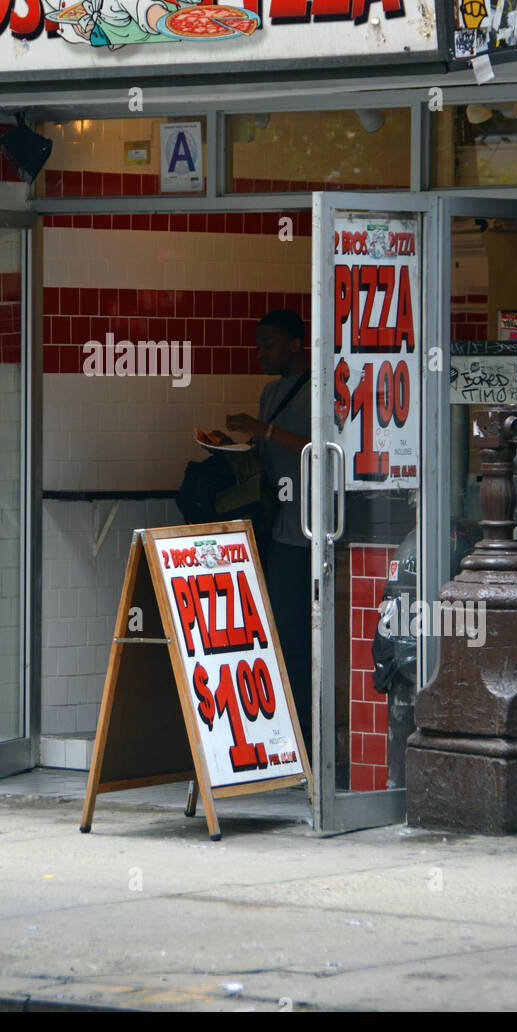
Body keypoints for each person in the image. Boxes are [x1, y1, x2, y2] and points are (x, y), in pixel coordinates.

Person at [226, 308, 312, 760]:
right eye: (259, 345)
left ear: (296, 344)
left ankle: (306, 733)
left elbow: (319, 448)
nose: (261, 354)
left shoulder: (317, 389)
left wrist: (267, 430)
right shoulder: (269, 392)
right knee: (277, 629)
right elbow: (265, 452)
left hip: (309, 528)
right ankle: (285, 728)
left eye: (270, 345)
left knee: (298, 633)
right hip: (275, 525)